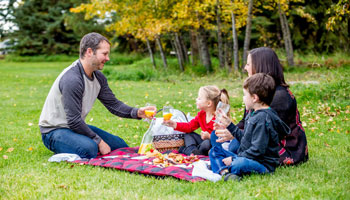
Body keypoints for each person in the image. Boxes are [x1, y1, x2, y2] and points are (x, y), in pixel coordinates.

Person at [39, 32, 156, 159]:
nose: (108, 58)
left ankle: (80, 142)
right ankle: (70, 145)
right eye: (104, 54)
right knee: (90, 149)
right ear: (90, 52)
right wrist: (98, 141)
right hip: (54, 131)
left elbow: (113, 104)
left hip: (74, 128)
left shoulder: (98, 77)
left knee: (121, 146)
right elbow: (74, 120)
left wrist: (138, 112)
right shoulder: (72, 79)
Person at [216, 47, 309, 166]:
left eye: (248, 64)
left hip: (279, 148)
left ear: (260, 66)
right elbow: (245, 122)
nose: (245, 68)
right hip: (253, 138)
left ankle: (230, 157)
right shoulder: (256, 91)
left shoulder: (279, 96)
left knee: (233, 146)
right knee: (217, 137)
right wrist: (228, 128)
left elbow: (266, 134)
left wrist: (235, 133)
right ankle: (224, 154)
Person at [209, 73, 290, 181]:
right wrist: (229, 125)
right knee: (214, 151)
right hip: (248, 156)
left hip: (262, 164)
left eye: (245, 95)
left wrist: (234, 158)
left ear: (254, 98)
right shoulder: (253, 113)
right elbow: (246, 139)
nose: (243, 98)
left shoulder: (263, 119)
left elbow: (257, 151)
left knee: (239, 163)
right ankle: (226, 171)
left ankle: (224, 170)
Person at [163, 85, 229, 156]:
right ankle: (193, 152)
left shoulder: (219, 118)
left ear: (209, 103)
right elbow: (189, 127)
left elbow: (222, 139)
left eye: (199, 98)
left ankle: (187, 150)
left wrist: (209, 136)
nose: (196, 99)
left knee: (207, 143)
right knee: (188, 134)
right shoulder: (201, 114)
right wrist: (174, 124)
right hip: (202, 143)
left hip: (212, 144)